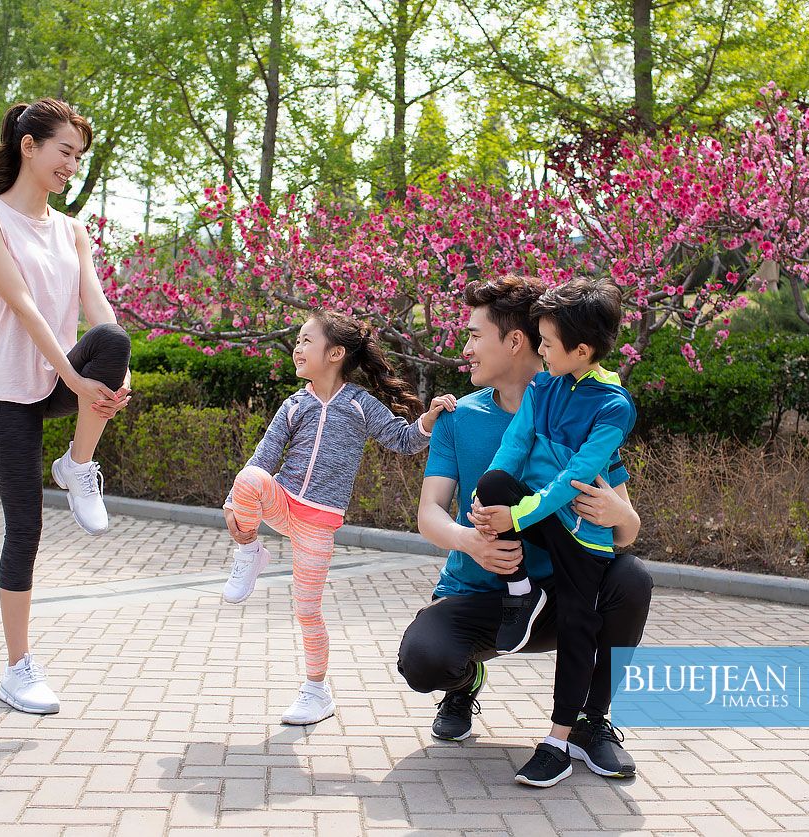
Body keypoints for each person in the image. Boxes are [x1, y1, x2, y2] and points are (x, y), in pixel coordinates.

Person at [396, 275, 652, 783]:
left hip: (559, 591)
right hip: (486, 594)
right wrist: (471, 541)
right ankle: (465, 680)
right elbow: (429, 513)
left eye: (473, 335)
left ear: (515, 341)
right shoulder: (458, 417)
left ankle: (588, 724)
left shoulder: (587, 409)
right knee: (424, 659)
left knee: (632, 579)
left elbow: (626, 531)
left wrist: (621, 515)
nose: (464, 348)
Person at [0, 98, 133, 715]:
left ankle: (78, 465)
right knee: (25, 527)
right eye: (64, 151)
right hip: (12, 386)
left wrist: (118, 376)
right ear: (29, 146)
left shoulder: (72, 229)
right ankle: (18, 668)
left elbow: (98, 310)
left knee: (113, 342)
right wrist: (73, 376)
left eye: (78, 157)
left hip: (63, 380)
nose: (71, 166)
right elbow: (23, 304)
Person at [222, 310, 456, 726]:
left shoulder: (359, 405)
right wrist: (234, 506)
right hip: (284, 501)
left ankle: (316, 690)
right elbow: (264, 457)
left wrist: (428, 419)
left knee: (307, 610)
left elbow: (402, 441)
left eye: (305, 340)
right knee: (249, 477)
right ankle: (250, 554)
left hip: (319, 522)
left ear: (336, 353)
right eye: (297, 339)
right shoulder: (294, 404)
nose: (296, 347)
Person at [471, 279, 638, 786]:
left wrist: (517, 518)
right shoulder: (544, 386)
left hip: (581, 528)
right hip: (538, 514)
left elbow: (575, 477)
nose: (539, 349)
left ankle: (560, 741)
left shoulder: (613, 405)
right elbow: (515, 446)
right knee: (496, 479)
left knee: (577, 623)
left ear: (581, 349)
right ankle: (521, 593)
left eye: (545, 342)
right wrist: (487, 500)